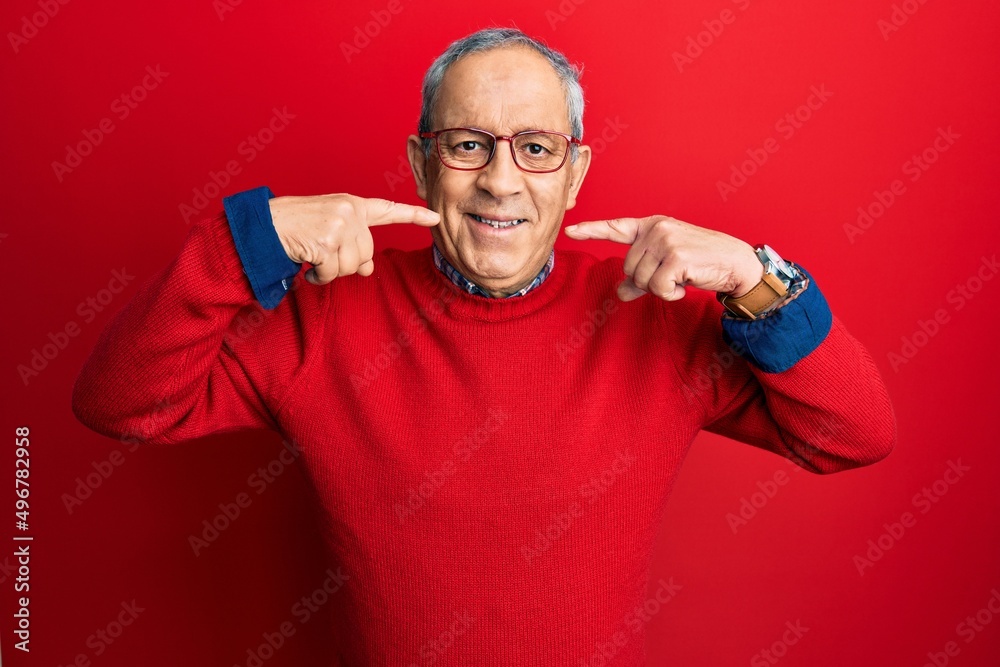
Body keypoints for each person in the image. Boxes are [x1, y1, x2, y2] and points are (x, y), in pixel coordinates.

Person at [72, 27, 895, 665]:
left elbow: (855, 432)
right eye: (468, 144)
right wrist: (240, 242)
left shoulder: (655, 319)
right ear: (422, 165)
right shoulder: (322, 316)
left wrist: (758, 277)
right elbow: (120, 404)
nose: (501, 180)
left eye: (535, 149)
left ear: (574, 174)